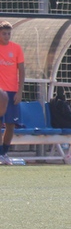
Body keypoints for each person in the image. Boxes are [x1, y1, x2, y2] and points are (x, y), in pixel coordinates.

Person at [0, 21, 26, 165]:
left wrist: (19, 92)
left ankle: (4, 153)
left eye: (9, 33)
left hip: (12, 92)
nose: (7, 36)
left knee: (11, 124)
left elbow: (21, 71)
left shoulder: (16, 48)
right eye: (4, 33)